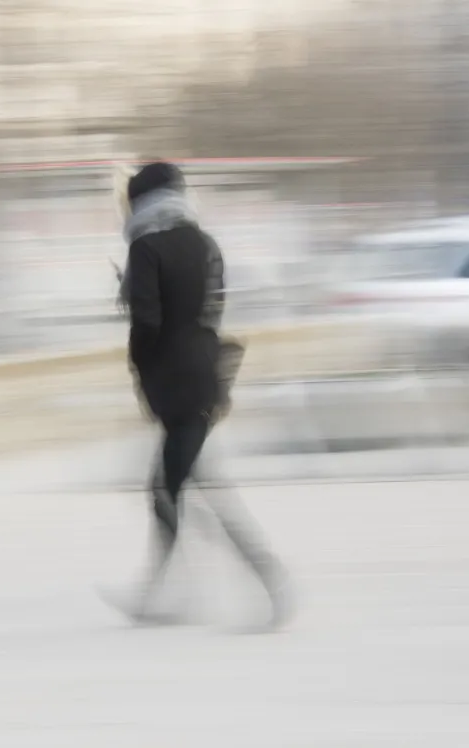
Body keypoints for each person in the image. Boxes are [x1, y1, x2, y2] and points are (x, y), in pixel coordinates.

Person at [103, 161, 288, 631]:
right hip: (206, 378)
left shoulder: (145, 247)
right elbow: (207, 312)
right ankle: (167, 595)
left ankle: (266, 578)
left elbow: (148, 324)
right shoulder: (205, 243)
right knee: (173, 488)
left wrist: (140, 368)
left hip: (173, 382)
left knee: (170, 491)